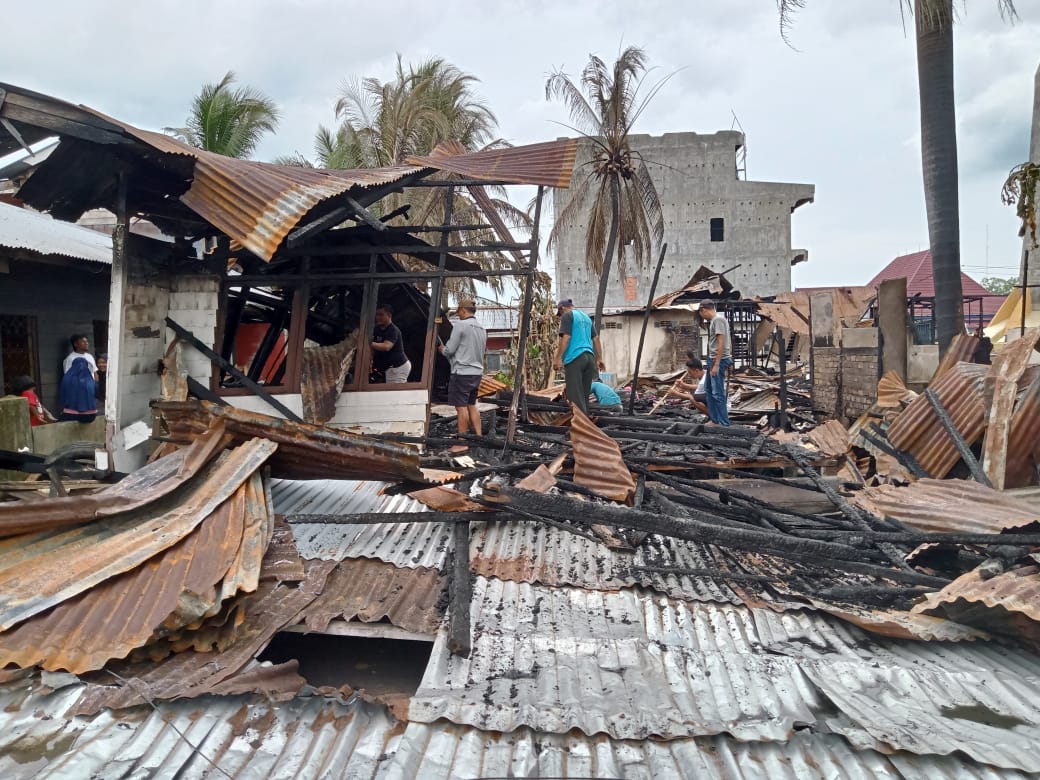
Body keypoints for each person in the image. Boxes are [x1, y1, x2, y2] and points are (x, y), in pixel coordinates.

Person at [438, 300, 487, 453]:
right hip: (476, 372)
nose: (458, 315)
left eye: (459, 312)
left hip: (462, 373)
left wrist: (442, 350)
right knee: (472, 405)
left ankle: (461, 442)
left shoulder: (460, 325)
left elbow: (450, 349)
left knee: (461, 408)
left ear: (464, 311)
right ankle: (479, 438)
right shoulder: (481, 328)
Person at [552, 299, 605, 416]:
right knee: (584, 396)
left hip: (575, 358)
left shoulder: (567, 316)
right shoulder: (586, 318)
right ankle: (586, 424)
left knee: (575, 396)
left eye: (560, 314)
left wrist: (558, 358)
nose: (561, 317)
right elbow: (595, 339)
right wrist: (600, 358)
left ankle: (580, 426)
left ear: (562, 308)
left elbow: (566, 337)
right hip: (590, 358)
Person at [697, 300, 732, 426]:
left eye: (701, 313)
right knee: (709, 390)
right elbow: (728, 342)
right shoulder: (716, 321)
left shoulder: (718, 320)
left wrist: (717, 364)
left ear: (704, 310)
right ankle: (715, 419)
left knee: (717, 392)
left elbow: (721, 342)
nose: (702, 317)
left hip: (718, 359)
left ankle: (722, 422)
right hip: (714, 359)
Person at [370, 303, 411, 384]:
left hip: (397, 367)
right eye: (377, 315)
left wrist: (368, 343)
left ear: (389, 315)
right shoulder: (377, 329)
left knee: (395, 394)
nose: (378, 317)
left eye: (381, 315)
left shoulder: (393, 330)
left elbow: (386, 346)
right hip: (387, 368)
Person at [59, 357, 98, 423]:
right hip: (90, 416)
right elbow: (96, 394)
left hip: (71, 415)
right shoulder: (91, 380)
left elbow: (62, 397)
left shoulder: (66, 378)